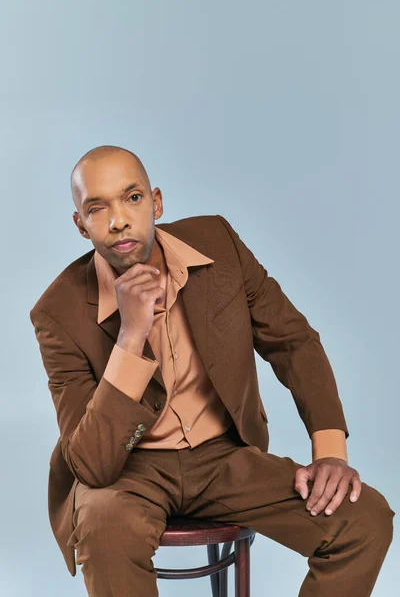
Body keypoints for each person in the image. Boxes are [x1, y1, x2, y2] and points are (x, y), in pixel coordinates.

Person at [29, 145, 395, 596]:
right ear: (80, 224)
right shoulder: (56, 312)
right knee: (104, 529)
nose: (118, 219)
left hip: (224, 457)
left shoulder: (218, 244)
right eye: (96, 207)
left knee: (364, 520)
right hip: (127, 469)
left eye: (133, 198)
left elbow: (293, 341)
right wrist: (130, 337)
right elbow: (92, 463)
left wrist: (330, 450)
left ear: (157, 202)